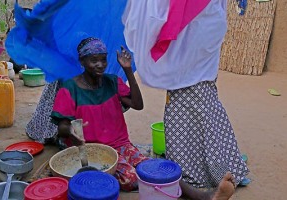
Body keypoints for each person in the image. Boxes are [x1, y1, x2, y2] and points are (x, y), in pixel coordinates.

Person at [121, 0, 250, 198]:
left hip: (187, 80)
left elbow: (158, 17)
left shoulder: (189, 27)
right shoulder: (205, 19)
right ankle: (225, 171)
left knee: (186, 122)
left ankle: (204, 177)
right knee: (209, 120)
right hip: (201, 73)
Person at [50, 37, 148, 191]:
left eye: (103, 60)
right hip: (90, 149)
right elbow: (62, 127)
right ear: (82, 61)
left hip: (120, 143)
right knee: (131, 180)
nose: (100, 65)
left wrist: (128, 71)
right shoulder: (70, 88)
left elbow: (138, 105)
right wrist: (70, 131)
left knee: (147, 169)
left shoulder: (112, 82)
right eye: (94, 60)